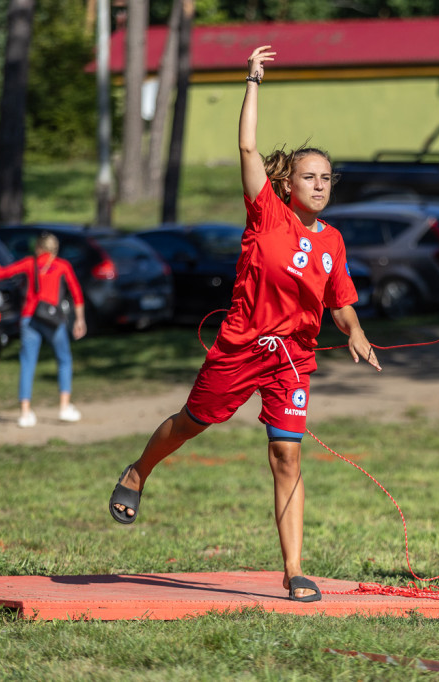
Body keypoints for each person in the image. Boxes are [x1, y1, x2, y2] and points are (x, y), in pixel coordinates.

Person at [108, 45, 382, 603]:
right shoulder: (266, 213)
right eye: (310, 176)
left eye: (327, 177)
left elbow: (339, 298)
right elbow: (248, 145)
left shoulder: (332, 241)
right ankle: (138, 471)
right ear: (288, 185)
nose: (321, 185)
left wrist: (353, 329)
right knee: (191, 424)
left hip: (293, 360)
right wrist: (252, 82)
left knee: (287, 454)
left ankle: (294, 569)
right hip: (240, 348)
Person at [0, 231, 87, 427]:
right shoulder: (63, 266)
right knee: (64, 360)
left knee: (27, 364)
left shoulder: (30, 263)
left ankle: (25, 413)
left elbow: (3, 273)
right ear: (55, 249)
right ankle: (64, 407)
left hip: (29, 317)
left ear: (38, 248)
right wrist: (79, 319)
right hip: (53, 319)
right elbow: (76, 293)